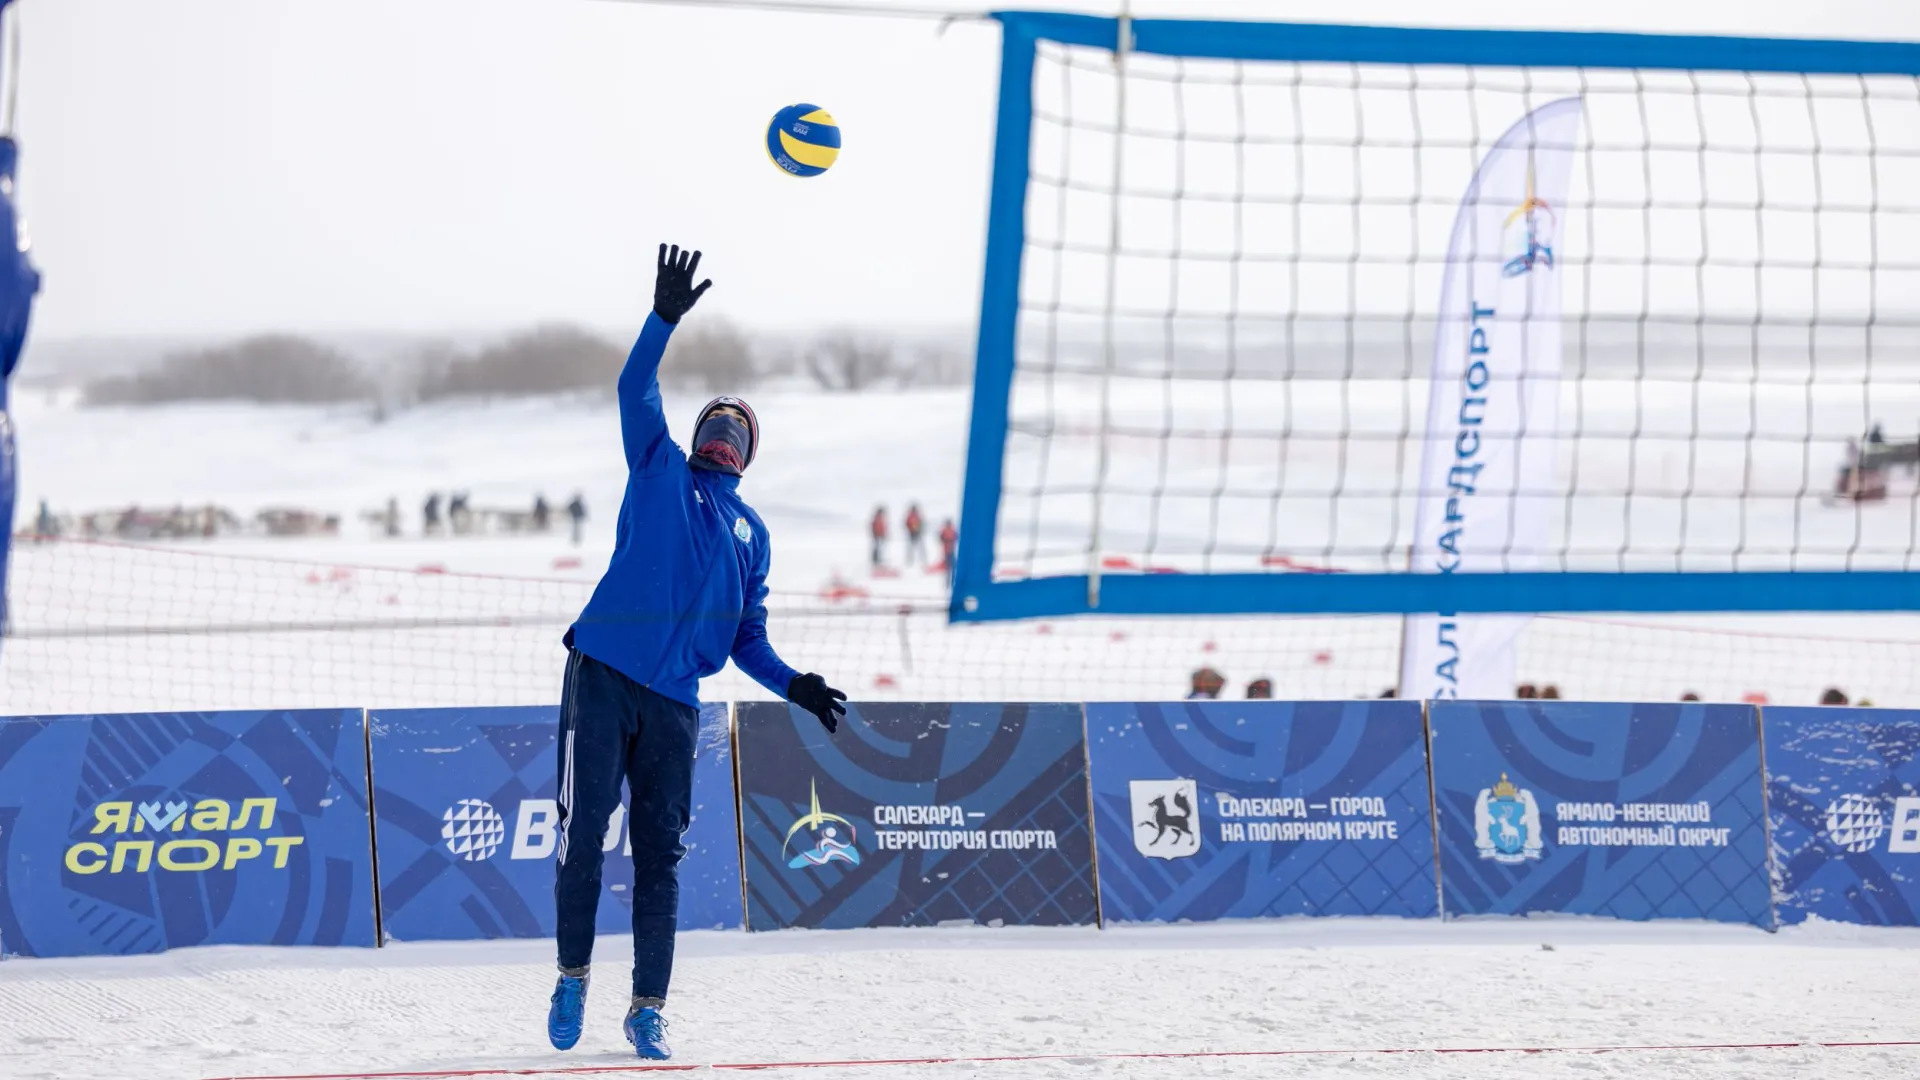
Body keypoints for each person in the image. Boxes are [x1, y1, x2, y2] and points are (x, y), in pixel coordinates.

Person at [546, 244, 845, 1062]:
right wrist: (662, 320)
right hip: (604, 675)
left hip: (677, 702)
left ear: (748, 456)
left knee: (660, 859)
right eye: (715, 422)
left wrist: (797, 685)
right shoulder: (658, 469)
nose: (722, 433)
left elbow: (748, 640)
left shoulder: (755, 534)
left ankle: (647, 1007)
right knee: (581, 838)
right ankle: (572, 974)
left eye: (736, 430)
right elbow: (632, 389)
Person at [903, 502, 925, 566]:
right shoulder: (910, 516)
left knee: (920, 547)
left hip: (917, 533)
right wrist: (911, 530)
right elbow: (907, 524)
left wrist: (920, 530)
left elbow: (921, 524)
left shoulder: (917, 516)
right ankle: (910, 560)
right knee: (911, 548)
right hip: (912, 533)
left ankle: (921, 560)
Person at [937, 518, 958, 587]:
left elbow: (956, 537)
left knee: (953, 568)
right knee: (949, 569)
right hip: (947, 552)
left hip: (951, 551)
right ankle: (948, 584)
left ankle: (951, 583)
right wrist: (948, 540)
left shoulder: (952, 530)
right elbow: (941, 538)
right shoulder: (944, 531)